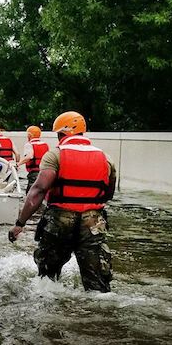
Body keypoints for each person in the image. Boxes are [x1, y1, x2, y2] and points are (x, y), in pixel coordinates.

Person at [8, 111, 117, 292]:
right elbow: (108, 194)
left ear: (61, 134)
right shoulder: (106, 158)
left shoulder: (55, 155)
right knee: (97, 285)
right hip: (93, 222)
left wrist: (20, 223)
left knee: (47, 279)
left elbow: (39, 190)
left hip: (60, 219)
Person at [16, 125, 49, 194]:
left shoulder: (29, 144)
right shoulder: (45, 144)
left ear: (29, 135)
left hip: (34, 172)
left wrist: (18, 164)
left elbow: (29, 156)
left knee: (30, 193)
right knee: (41, 192)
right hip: (44, 172)